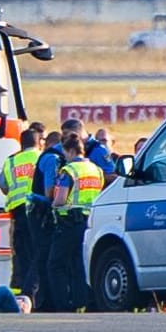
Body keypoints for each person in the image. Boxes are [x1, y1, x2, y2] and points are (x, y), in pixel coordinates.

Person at [50, 133, 104, 312]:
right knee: (80, 264)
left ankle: (63, 306)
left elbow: (60, 199)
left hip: (69, 222)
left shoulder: (69, 171)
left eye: (65, 153)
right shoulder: (96, 170)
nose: (65, 156)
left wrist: (52, 205)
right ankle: (83, 302)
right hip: (91, 222)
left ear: (71, 150)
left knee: (55, 264)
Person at [0, 128, 40, 299]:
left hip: (17, 212)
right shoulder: (42, 157)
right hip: (36, 210)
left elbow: (3, 185)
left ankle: (21, 291)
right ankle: (32, 292)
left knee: (21, 252)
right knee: (37, 251)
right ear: (38, 142)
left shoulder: (11, 161)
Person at [28, 129, 65, 311]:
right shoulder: (53, 158)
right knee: (44, 258)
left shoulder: (51, 156)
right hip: (41, 213)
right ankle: (41, 301)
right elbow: (49, 191)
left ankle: (40, 299)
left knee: (42, 257)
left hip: (39, 211)